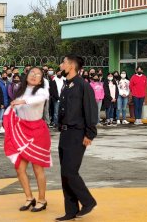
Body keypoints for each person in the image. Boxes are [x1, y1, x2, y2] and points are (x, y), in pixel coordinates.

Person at [56, 54, 98, 221]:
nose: (61, 64)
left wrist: (90, 133)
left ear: (71, 66)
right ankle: (71, 210)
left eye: (63, 62)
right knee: (64, 174)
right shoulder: (67, 85)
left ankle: (88, 201)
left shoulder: (83, 85)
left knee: (70, 171)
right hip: (65, 133)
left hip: (77, 133)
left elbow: (91, 110)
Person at [3, 67, 51, 213]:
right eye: (32, 73)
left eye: (38, 75)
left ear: (41, 79)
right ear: (27, 75)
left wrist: (22, 101)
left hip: (38, 132)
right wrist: (5, 118)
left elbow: (39, 99)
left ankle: (42, 200)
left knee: (38, 168)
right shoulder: (20, 90)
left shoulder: (41, 91)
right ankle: (29, 198)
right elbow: (12, 108)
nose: (34, 76)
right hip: (22, 131)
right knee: (19, 168)